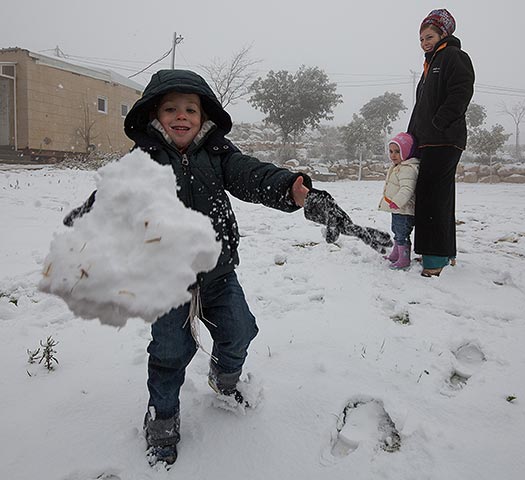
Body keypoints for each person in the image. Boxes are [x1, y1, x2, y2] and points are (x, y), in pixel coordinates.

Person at [63, 69, 391, 468]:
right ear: (153, 115)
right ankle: (162, 418)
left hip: (217, 275)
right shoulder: (142, 163)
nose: (181, 116)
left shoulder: (218, 156)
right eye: (171, 109)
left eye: (190, 109)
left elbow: (255, 176)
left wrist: (296, 191)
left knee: (240, 331)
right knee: (169, 354)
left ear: (205, 117)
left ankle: (225, 378)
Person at [407, 8, 474, 277]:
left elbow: (461, 91)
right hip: (428, 141)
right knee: (440, 194)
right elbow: (420, 107)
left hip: (444, 139)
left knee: (430, 194)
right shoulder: (429, 66)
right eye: (421, 38)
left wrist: (439, 122)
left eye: (430, 36)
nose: (425, 42)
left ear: (444, 33)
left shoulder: (453, 57)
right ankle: (446, 252)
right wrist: (411, 137)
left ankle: (433, 260)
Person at [378, 132, 420, 269]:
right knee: (396, 230)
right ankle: (396, 254)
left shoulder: (408, 169)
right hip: (397, 208)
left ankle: (404, 259)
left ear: (407, 152)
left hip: (404, 208)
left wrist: (397, 201)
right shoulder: (399, 167)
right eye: (391, 151)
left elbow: (407, 189)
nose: (393, 155)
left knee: (402, 233)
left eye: (397, 151)